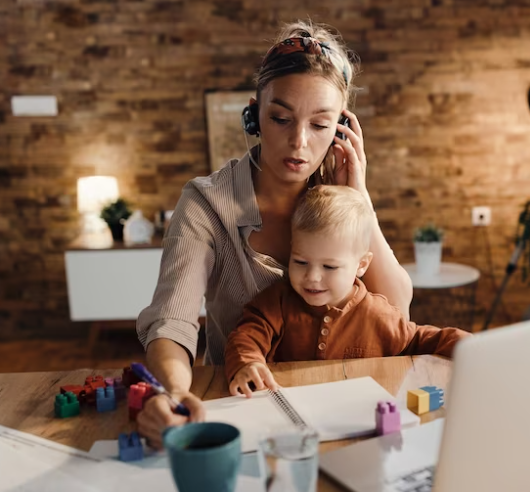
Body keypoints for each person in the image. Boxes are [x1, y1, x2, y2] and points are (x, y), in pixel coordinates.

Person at [135, 20, 413, 448]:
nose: (299, 141)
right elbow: (173, 322)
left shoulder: (340, 197)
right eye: (281, 118)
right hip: (244, 405)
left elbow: (395, 309)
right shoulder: (206, 203)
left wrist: (359, 197)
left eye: (320, 125)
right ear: (254, 115)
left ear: (341, 128)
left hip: (345, 405)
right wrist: (172, 393)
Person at [226, 185, 469, 397]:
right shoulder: (276, 302)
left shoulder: (379, 315)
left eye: (329, 266)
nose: (312, 277)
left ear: (361, 265)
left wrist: (471, 348)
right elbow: (246, 336)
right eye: (300, 262)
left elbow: (420, 340)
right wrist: (248, 364)